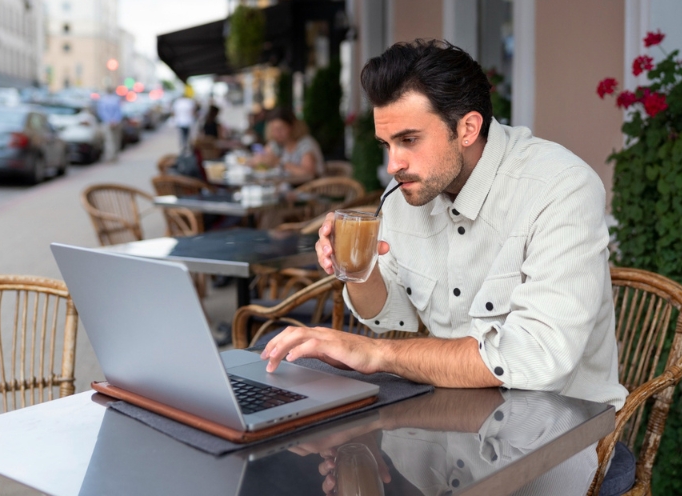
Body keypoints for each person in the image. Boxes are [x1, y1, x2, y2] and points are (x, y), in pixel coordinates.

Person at [261, 40, 628, 412]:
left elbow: (537, 357)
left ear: (467, 128)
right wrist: (358, 268)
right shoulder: (407, 190)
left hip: (557, 441)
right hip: (443, 421)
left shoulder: (560, 187)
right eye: (387, 144)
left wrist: (376, 354)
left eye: (408, 140)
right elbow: (389, 312)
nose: (393, 164)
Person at [252, 108, 325, 180]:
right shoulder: (278, 144)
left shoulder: (305, 144)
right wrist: (260, 160)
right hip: (289, 188)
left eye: (281, 128)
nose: (277, 133)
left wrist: (279, 163)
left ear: (292, 126)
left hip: (310, 188)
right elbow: (262, 158)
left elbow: (308, 173)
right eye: (273, 129)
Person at [95, 89, 123, 162]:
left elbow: (101, 112)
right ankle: (115, 155)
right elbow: (119, 111)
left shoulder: (103, 100)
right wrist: (115, 120)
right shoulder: (116, 99)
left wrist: (109, 120)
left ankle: (110, 157)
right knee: (116, 140)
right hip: (116, 122)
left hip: (107, 123)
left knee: (109, 140)